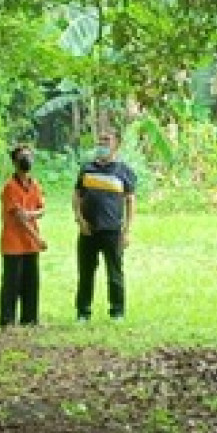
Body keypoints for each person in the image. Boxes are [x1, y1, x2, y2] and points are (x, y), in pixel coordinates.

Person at [73, 131, 137, 322]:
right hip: (88, 230)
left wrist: (127, 230)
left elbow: (130, 201)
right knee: (85, 273)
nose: (102, 143)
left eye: (106, 140)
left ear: (116, 144)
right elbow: (77, 195)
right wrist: (79, 219)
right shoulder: (87, 169)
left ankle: (117, 311)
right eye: (100, 140)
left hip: (112, 230)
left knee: (115, 274)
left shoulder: (123, 171)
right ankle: (83, 312)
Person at [0, 144, 46, 327]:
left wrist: (31, 214)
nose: (27, 159)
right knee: (12, 283)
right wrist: (37, 238)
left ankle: (30, 319)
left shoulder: (34, 184)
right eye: (22, 157)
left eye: (29, 156)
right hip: (13, 243)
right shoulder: (10, 187)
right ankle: (7, 320)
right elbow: (19, 218)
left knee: (31, 283)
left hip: (30, 245)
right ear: (15, 162)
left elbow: (41, 208)